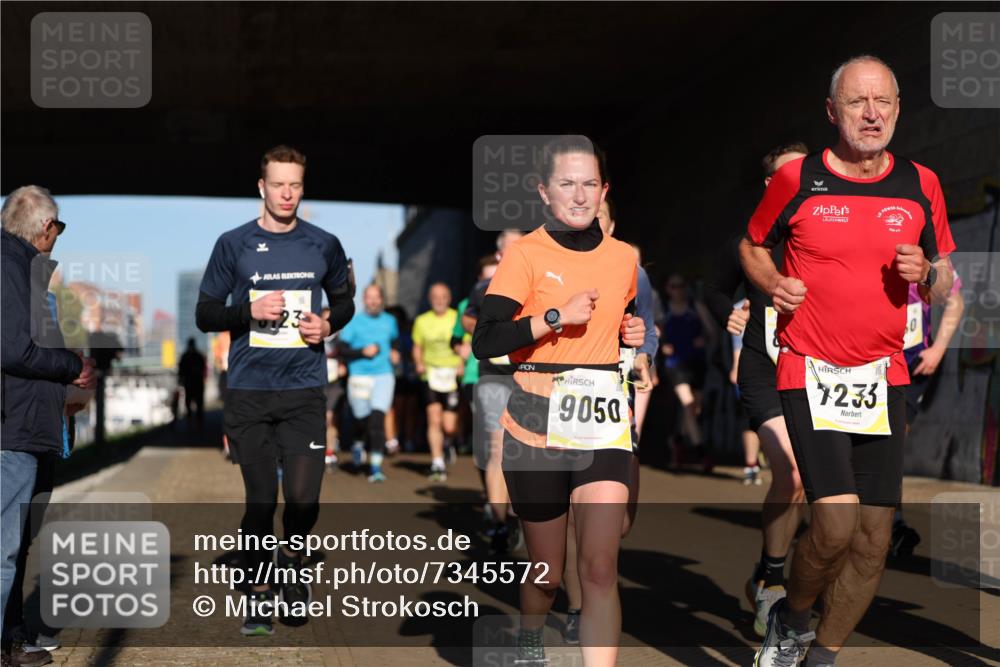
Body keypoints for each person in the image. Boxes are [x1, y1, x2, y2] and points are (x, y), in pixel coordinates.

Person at [742, 57, 955, 667]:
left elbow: (944, 278)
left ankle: (822, 655)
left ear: (897, 110)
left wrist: (928, 275)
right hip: (810, 367)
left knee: (873, 540)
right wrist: (772, 282)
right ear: (832, 112)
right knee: (834, 526)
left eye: (883, 101)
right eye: (858, 102)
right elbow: (752, 244)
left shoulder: (922, 183)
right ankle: (793, 617)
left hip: (883, 374)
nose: (872, 113)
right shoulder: (798, 179)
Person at [472, 135, 645, 666]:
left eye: (589, 183)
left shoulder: (624, 259)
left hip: (601, 423)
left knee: (598, 567)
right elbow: (487, 339)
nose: (578, 195)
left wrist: (630, 334)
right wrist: (553, 317)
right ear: (543, 191)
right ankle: (529, 638)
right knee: (546, 571)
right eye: (566, 184)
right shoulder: (525, 253)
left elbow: (617, 328)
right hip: (536, 423)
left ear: (604, 190)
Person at [195, 145, 355, 637]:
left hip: (304, 388)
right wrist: (249, 311)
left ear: (303, 188)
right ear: (261, 187)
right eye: (278, 184)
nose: (287, 193)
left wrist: (326, 324)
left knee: (303, 500)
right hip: (249, 390)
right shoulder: (233, 244)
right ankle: (262, 593)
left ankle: (292, 561)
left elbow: (344, 303)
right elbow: (205, 314)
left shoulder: (323, 243)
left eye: (295, 185)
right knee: (262, 500)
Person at [703, 142, 809, 637]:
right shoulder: (749, 240)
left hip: (822, 371)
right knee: (788, 469)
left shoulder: (827, 234)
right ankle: (771, 582)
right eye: (789, 175)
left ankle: (785, 577)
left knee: (815, 485)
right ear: (771, 185)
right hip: (764, 366)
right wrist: (731, 311)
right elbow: (715, 287)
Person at [1, 185, 95, 667]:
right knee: (5, 549)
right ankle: (9, 644)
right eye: (58, 227)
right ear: (45, 228)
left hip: (37, 427)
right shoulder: (10, 269)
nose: (58, 235)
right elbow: (15, 350)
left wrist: (69, 375)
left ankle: (14, 637)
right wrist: (68, 365)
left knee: (16, 544)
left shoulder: (28, 274)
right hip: (14, 429)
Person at [558, 196, 656, 645]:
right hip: (562, 409)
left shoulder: (634, 273)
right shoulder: (553, 266)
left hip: (614, 408)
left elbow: (648, 328)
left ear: (611, 225)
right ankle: (582, 606)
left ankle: (591, 585)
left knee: (619, 522)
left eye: (598, 218)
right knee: (580, 516)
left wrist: (644, 359)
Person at [889, 266, 964, 557]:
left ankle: (893, 522)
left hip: (910, 367)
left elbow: (956, 300)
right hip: (864, 366)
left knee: (894, 442)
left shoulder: (929, 260)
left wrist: (938, 349)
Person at [462, 233, 522, 554]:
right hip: (494, 376)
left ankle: (516, 513)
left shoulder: (542, 281)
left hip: (532, 378)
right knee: (498, 447)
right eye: (509, 248)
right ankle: (499, 520)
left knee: (526, 450)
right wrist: (488, 329)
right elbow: (467, 318)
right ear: (499, 255)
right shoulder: (483, 287)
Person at [337, 285, 399, 483]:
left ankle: (375, 468)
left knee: (377, 420)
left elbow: (395, 342)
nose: (373, 301)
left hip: (384, 375)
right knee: (361, 420)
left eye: (376, 297)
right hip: (359, 377)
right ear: (364, 300)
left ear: (381, 299)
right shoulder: (354, 323)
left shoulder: (390, 321)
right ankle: (357, 441)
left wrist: (396, 353)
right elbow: (342, 350)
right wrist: (362, 352)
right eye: (369, 297)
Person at [661, 273, 714, 469]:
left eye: (681, 285)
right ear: (668, 289)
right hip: (675, 364)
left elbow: (712, 331)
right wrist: (662, 344)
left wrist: (705, 340)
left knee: (692, 410)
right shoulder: (665, 310)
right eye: (674, 286)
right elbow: (655, 332)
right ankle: (702, 453)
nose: (678, 290)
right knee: (689, 405)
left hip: (696, 363)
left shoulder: (695, 307)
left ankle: (677, 441)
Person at [412, 283, 463, 481]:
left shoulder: (456, 318)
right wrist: (418, 363)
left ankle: (449, 441)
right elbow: (417, 346)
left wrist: (461, 363)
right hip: (430, 374)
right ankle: (437, 461)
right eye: (435, 296)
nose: (439, 300)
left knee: (449, 425)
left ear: (449, 299)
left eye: (443, 296)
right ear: (430, 299)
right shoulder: (422, 321)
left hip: (452, 374)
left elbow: (464, 343)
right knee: (434, 419)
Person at [177, 337, 206, 431]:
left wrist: (180, 382)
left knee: (189, 404)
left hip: (189, 384)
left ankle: (191, 424)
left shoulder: (185, 356)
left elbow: (180, 372)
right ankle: (198, 425)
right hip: (197, 383)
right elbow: (203, 370)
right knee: (199, 405)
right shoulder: (199, 356)